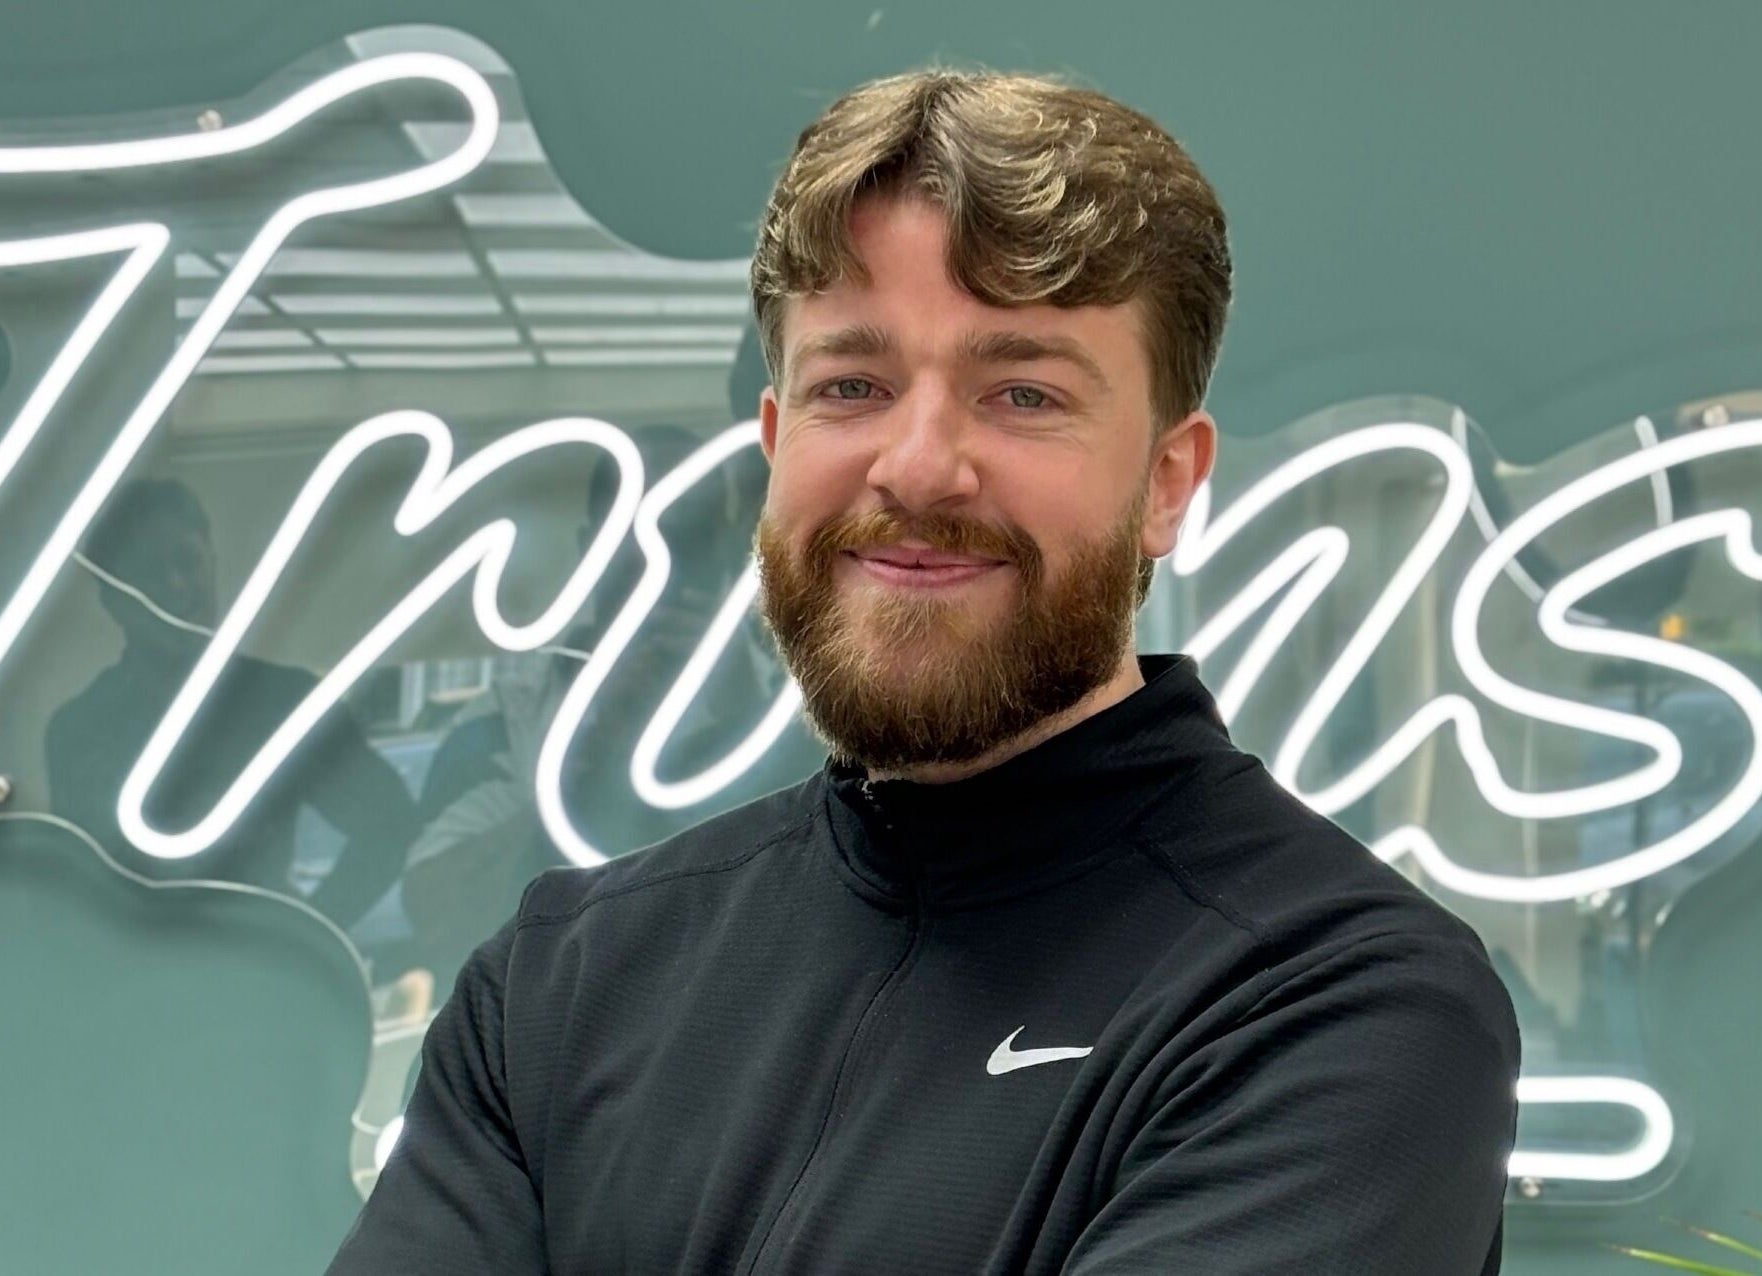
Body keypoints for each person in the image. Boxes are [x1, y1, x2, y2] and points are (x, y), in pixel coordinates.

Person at [328, 69, 1520, 1274]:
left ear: (1165, 481)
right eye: (852, 384)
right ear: (779, 440)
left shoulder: (1332, 1008)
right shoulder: (562, 980)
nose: (916, 466)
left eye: (1021, 392)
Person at [46, 477, 419, 935]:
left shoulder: (281, 700)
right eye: (146, 571)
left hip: (251, 977)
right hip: (137, 984)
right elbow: (74, 894)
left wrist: (304, 933)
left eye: (187, 560)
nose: (174, 584)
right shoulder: (78, 730)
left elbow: (389, 821)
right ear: (111, 598)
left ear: (212, 563)